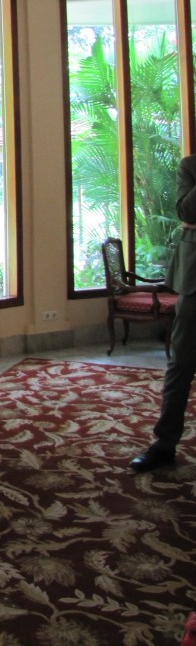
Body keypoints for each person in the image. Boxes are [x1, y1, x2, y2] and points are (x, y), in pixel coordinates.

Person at [130, 151, 196, 472]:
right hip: (195, 282)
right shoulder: (190, 165)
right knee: (181, 363)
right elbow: (186, 209)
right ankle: (165, 444)